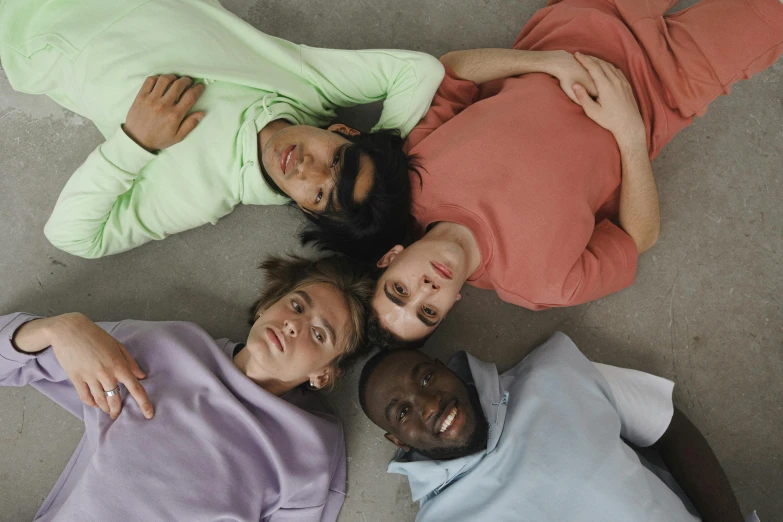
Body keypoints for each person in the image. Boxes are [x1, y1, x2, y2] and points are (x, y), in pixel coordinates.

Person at [366, 0, 783, 342]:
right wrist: (630, 134)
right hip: (668, 85)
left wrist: (553, 62)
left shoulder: (413, 179)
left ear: (392, 257)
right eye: (428, 311)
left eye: (399, 289)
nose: (426, 289)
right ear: (451, 306)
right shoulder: (542, 285)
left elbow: (453, 70)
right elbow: (639, 237)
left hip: (583, 19)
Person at [0, 0, 444, 259]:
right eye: (336, 160)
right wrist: (386, 138)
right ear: (344, 131)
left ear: (306, 211)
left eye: (321, 195)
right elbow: (419, 71)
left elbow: (73, 236)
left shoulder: (199, 194)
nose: (307, 169)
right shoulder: (310, 86)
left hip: (28, 23)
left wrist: (134, 144)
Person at [0, 254, 374, 520]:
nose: (294, 325)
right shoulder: (165, 347)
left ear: (323, 374)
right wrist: (60, 329)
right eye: (296, 305)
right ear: (266, 307)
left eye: (319, 333)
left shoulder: (311, 451)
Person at [358, 332, 758, 522]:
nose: (429, 406)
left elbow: (665, 425)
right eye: (402, 412)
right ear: (396, 440)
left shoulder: (555, 371)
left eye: (426, 379)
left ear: (445, 368)